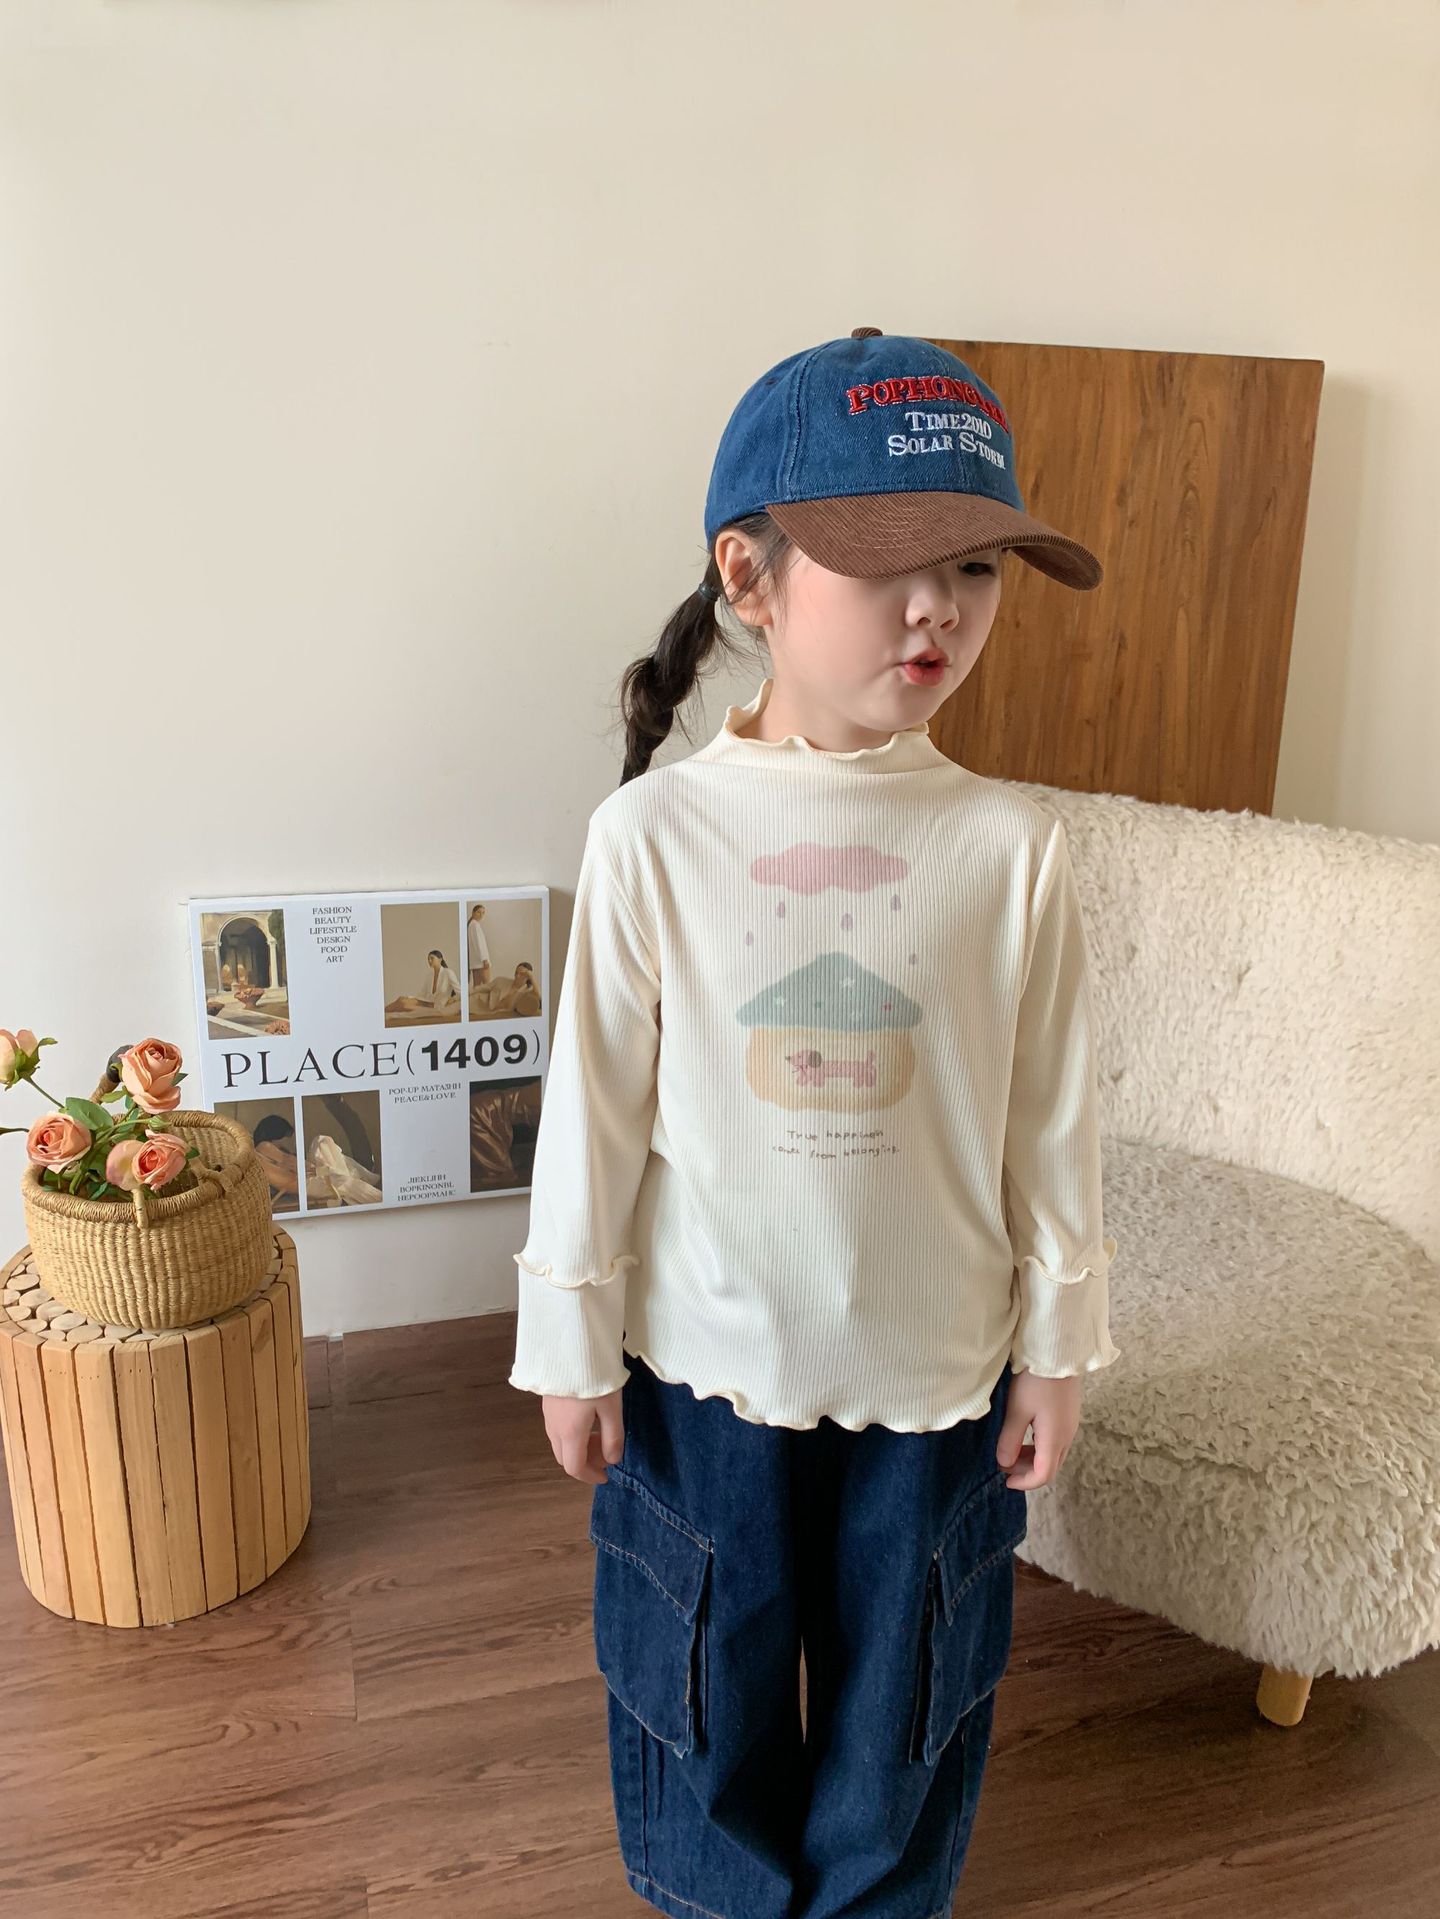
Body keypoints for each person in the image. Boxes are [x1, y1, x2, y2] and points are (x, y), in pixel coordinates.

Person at [509, 327, 1122, 1919]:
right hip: (703, 1363)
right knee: (699, 1677)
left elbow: (1051, 1116)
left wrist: (1057, 1345)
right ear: (750, 575)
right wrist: (570, 1340)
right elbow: (596, 1111)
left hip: (938, 1373)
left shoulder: (1011, 848)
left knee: (907, 1695)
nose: (940, 608)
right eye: (890, 560)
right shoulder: (653, 837)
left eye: (975, 566)